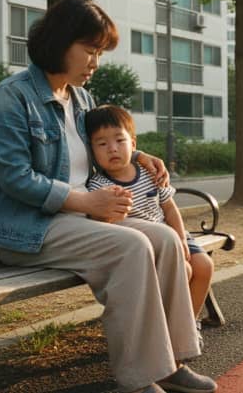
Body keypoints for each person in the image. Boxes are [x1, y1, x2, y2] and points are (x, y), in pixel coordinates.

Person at [0, 0, 217, 393]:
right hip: (30, 227)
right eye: (89, 51)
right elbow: (14, 178)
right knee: (133, 246)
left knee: (165, 239)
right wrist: (84, 202)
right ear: (60, 43)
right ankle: (137, 379)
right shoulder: (12, 97)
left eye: (99, 53)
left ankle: (169, 363)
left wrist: (138, 155)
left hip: (80, 221)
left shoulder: (81, 99)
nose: (95, 62)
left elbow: (101, 146)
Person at [84, 105, 215, 348]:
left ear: (133, 145)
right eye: (101, 144)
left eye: (119, 140)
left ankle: (190, 323)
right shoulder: (100, 185)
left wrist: (182, 240)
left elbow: (170, 208)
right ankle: (166, 333)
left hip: (172, 233)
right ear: (92, 151)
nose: (112, 148)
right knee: (184, 271)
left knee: (203, 265)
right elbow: (104, 223)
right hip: (146, 246)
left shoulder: (148, 171)